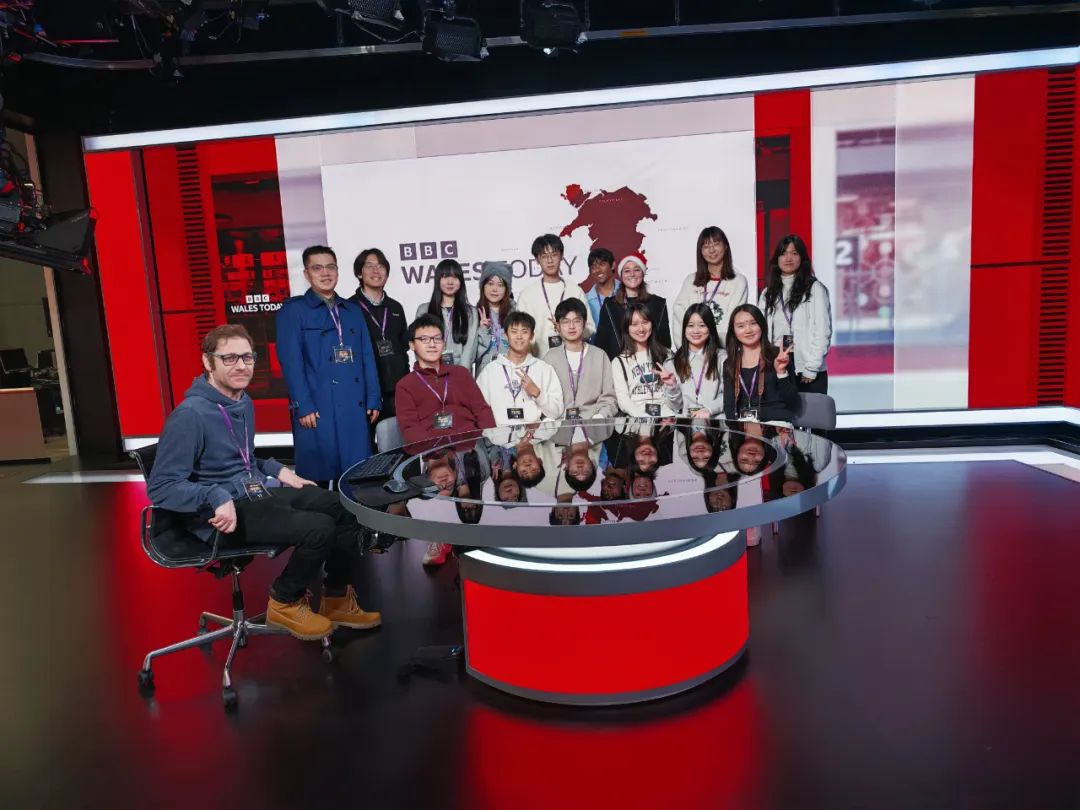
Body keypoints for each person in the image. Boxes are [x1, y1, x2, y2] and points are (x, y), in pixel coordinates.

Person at [148, 324, 380, 641]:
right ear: (207, 361)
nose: (241, 366)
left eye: (247, 357)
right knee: (318, 528)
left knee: (345, 507)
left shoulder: (241, 401)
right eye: (229, 358)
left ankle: (337, 599)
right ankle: (284, 601)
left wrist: (277, 470)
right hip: (216, 518)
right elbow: (161, 487)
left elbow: (244, 458)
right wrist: (215, 495)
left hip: (251, 495)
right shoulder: (190, 415)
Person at [276, 245, 381, 486]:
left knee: (356, 476)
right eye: (317, 268)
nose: (326, 273)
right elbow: (291, 363)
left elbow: (367, 356)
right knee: (318, 481)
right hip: (317, 406)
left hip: (354, 404)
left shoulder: (352, 310)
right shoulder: (293, 311)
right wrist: (303, 405)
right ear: (306, 274)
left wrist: (373, 398)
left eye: (331, 267)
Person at [394, 314, 496, 447]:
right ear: (412, 345)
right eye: (424, 339)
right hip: (432, 452)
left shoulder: (461, 374)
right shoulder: (405, 385)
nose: (432, 344)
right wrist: (437, 452)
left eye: (437, 339)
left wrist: (489, 444)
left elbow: (482, 411)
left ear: (444, 344)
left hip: (470, 447)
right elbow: (411, 430)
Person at [757, 234, 833, 393]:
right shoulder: (768, 293)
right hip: (778, 362)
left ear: (802, 258)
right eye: (783, 253)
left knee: (811, 409)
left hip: (806, 364)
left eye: (794, 253)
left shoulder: (815, 288)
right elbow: (761, 331)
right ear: (777, 259)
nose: (788, 258)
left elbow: (822, 330)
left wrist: (812, 367)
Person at [348, 248, 409, 422]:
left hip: (398, 391)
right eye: (369, 266)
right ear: (359, 273)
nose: (376, 271)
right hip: (367, 394)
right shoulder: (349, 308)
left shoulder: (395, 307)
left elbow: (403, 348)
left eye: (381, 266)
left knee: (398, 437)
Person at [476, 311, 563, 426]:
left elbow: (556, 412)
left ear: (532, 336)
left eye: (524, 331)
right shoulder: (490, 371)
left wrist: (537, 393)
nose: (519, 336)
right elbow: (477, 411)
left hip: (533, 435)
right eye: (514, 331)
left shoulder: (544, 369)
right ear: (505, 336)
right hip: (498, 435)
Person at [515, 234, 595, 357]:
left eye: (554, 254)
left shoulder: (575, 290)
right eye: (544, 256)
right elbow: (520, 334)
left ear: (561, 256)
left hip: (574, 361)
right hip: (539, 362)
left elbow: (590, 328)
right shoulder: (527, 295)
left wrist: (567, 330)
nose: (550, 260)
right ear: (537, 260)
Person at [672, 226, 748, 349]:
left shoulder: (738, 282)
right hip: (692, 351)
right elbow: (679, 318)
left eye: (716, 244)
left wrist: (716, 350)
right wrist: (686, 351)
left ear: (726, 246)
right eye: (706, 246)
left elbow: (734, 320)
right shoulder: (690, 281)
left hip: (723, 351)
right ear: (700, 251)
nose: (712, 250)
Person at [722, 304, 800, 423]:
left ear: (762, 325)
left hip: (777, 424)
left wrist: (781, 373)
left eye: (753, 323)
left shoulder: (778, 356)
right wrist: (738, 429)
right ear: (733, 331)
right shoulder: (730, 363)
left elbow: (794, 404)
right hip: (745, 426)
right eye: (741, 326)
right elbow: (729, 407)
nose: (748, 330)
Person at [543, 298, 618, 420]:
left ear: (584, 323)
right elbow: (545, 398)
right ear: (558, 326)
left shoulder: (600, 356)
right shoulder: (550, 358)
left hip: (593, 423)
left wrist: (600, 416)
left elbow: (610, 397)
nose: (571, 326)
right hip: (560, 424)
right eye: (565, 322)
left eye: (577, 321)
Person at [593, 253, 672, 358]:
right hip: (618, 365)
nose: (632, 274)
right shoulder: (610, 306)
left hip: (651, 364)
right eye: (627, 271)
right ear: (621, 276)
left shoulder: (658, 303)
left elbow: (665, 343)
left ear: (643, 273)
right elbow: (601, 344)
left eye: (637, 270)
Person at [612, 302, 683, 417]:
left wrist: (672, 387)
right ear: (627, 328)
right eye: (634, 324)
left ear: (652, 324)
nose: (641, 329)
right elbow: (623, 401)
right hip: (637, 420)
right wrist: (645, 419)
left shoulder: (666, 355)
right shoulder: (619, 362)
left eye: (645, 322)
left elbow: (677, 406)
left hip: (667, 419)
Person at [415, 258, 479, 370]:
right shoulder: (424, 310)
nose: (450, 282)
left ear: (461, 281)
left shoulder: (471, 312)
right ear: (438, 280)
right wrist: (430, 371)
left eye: (455, 277)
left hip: (461, 371)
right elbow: (420, 345)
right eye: (445, 277)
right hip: (431, 371)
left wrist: (462, 374)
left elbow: (470, 348)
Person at [672, 303, 725, 418]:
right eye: (691, 325)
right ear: (684, 329)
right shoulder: (675, 360)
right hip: (686, 423)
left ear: (710, 328)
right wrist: (672, 387)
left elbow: (729, 395)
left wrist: (709, 409)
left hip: (715, 421)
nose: (696, 331)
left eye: (702, 325)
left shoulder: (722, 358)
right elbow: (675, 406)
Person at [473, 261, 514, 376]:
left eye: (500, 285)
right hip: (485, 372)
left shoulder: (515, 313)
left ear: (507, 289)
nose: (495, 289)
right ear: (483, 286)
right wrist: (483, 330)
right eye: (490, 284)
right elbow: (473, 355)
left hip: (511, 369)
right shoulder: (473, 314)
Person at [582, 247, 618, 333]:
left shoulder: (627, 291)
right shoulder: (585, 300)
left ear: (613, 265)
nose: (597, 270)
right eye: (593, 267)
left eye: (602, 264)